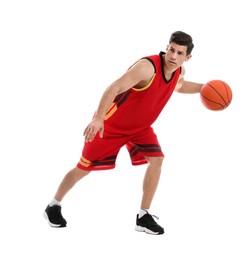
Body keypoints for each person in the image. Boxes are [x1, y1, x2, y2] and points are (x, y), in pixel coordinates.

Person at [44, 31, 203, 235]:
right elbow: (115, 87)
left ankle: (143, 216)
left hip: (140, 129)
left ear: (187, 57)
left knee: (157, 160)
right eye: (171, 50)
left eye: (180, 53)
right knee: (83, 168)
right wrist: (99, 117)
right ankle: (53, 205)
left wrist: (205, 88)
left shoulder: (179, 72)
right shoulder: (147, 68)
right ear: (167, 46)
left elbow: (178, 86)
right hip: (110, 126)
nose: (173, 56)